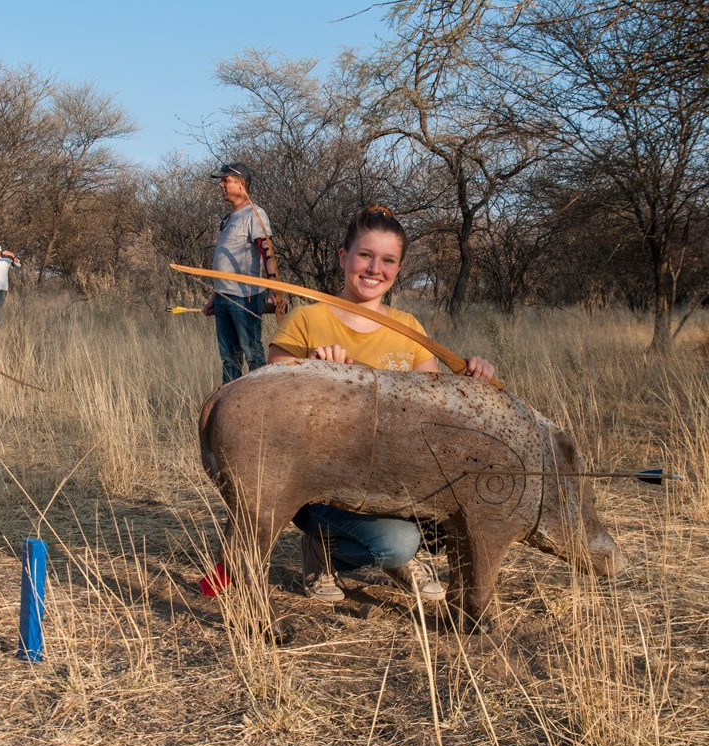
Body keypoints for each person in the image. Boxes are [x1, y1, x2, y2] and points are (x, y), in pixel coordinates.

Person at [267, 204, 497, 604]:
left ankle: (399, 555)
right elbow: (269, 396)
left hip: (389, 480)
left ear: (399, 267)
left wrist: (474, 379)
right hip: (319, 485)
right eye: (365, 255)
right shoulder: (305, 319)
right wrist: (314, 370)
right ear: (343, 257)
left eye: (388, 260)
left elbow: (434, 402)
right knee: (398, 541)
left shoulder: (409, 328)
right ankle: (323, 548)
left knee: (427, 524)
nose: (375, 269)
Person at [203, 162, 275, 383]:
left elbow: (267, 251)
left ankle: (260, 401)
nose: (221, 185)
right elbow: (225, 264)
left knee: (252, 353)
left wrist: (274, 288)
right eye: (221, 181)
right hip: (224, 296)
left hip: (246, 297)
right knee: (229, 358)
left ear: (241, 183)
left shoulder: (255, 213)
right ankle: (231, 407)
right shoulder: (227, 219)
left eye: (226, 180)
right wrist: (214, 296)